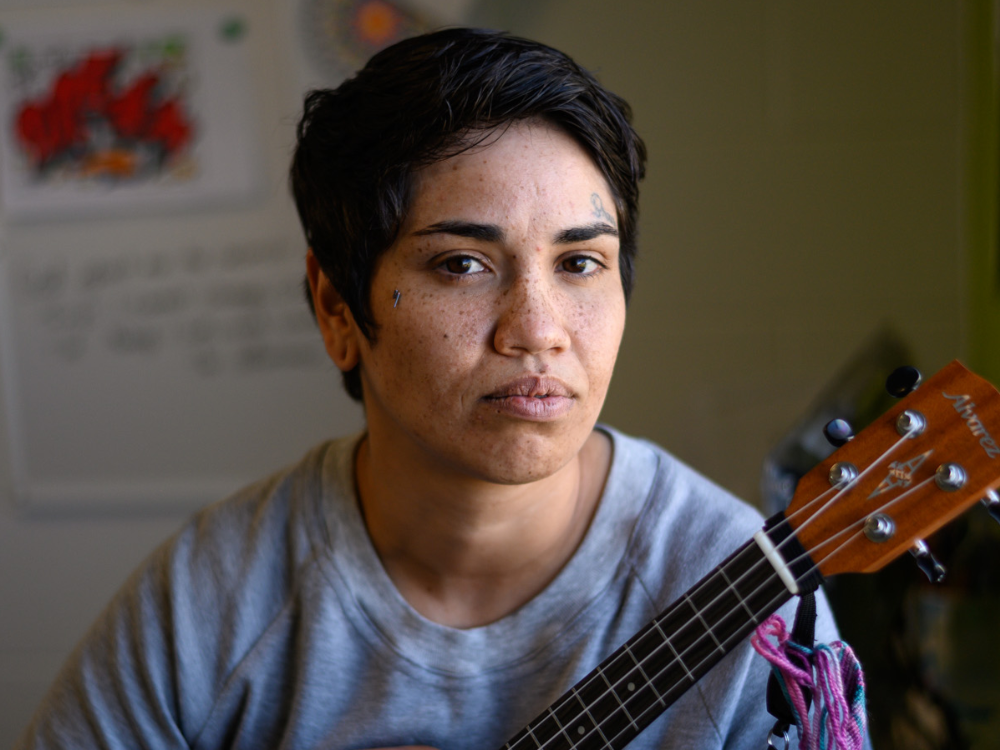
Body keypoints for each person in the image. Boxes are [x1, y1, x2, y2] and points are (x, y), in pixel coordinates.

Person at [16, 28, 842, 749]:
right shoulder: (211, 601)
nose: (538, 330)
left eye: (579, 262)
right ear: (336, 308)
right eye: (463, 264)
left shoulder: (754, 593)